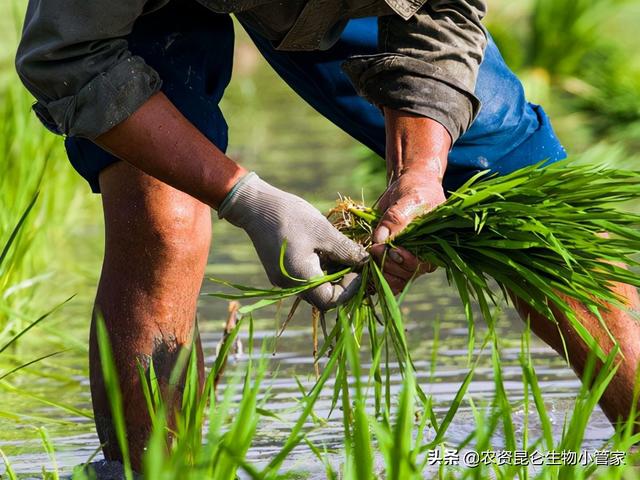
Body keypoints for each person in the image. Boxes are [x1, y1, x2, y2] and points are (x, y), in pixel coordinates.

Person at [15, 0, 640, 471]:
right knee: (163, 224)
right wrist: (248, 200)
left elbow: (440, 12)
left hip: (351, 6)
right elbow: (68, 57)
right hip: (141, 13)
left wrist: (420, 170)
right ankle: (150, 467)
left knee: (530, 212)